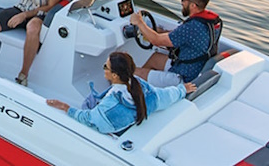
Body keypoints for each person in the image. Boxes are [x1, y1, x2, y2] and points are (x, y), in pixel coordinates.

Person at [47, 50, 194, 134]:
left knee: (89, 102)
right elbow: (165, 96)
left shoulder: (110, 107)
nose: (103, 68)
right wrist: (182, 90)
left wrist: (66, 108)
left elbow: (90, 120)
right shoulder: (140, 86)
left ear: (115, 76)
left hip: (111, 131)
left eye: (106, 66)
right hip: (127, 126)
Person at [131, 0, 223, 86]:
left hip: (184, 77)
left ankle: (138, 85)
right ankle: (144, 88)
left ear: (193, 5)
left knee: (134, 73)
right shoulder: (211, 22)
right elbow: (182, 35)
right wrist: (159, 31)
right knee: (155, 58)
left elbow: (156, 41)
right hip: (195, 68)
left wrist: (139, 22)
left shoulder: (192, 27)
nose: (182, 2)